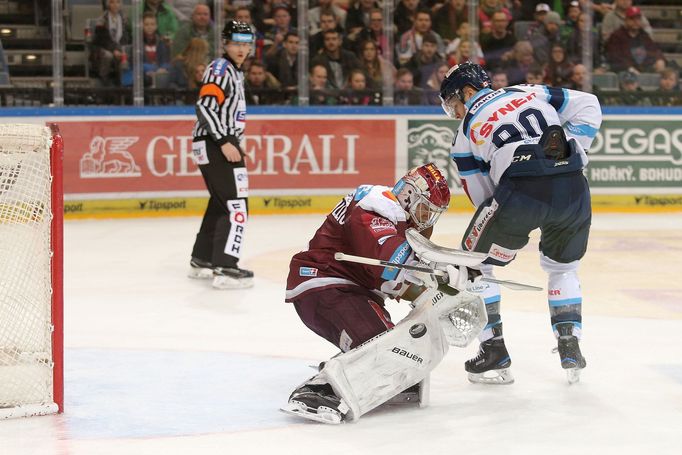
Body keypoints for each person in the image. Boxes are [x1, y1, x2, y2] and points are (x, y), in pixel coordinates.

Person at [282, 164, 486, 424]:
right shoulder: (376, 204)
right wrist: (441, 267)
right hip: (323, 284)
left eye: (433, 214)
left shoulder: (401, 223)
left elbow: (397, 282)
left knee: (399, 352)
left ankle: (349, 368)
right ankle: (317, 390)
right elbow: (392, 260)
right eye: (426, 209)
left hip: (351, 293)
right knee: (380, 348)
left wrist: (444, 291)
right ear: (409, 195)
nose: (427, 219)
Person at [439, 62, 602, 384]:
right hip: (573, 185)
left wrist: (515, 206)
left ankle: (494, 353)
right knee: (564, 268)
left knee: (473, 265)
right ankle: (570, 347)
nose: (456, 112)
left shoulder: (465, 133)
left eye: (454, 103)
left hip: (521, 192)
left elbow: (482, 198)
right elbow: (589, 105)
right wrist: (569, 152)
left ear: (468, 92)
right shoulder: (529, 91)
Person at [188, 21, 254, 289]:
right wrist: (225, 141)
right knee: (237, 204)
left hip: (214, 143)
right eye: (236, 43)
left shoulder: (234, 72)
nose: (241, 49)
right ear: (225, 44)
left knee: (220, 202)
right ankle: (226, 267)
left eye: (245, 44)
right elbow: (205, 106)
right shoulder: (220, 68)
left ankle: (202, 259)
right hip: (215, 143)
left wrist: (234, 142)